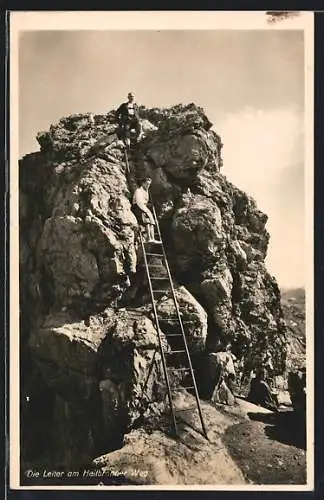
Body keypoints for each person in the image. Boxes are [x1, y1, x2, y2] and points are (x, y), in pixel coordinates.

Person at [132, 178, 159, 243]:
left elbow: (145, 202)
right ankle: (148, 238)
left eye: (149, 184)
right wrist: (146, 210)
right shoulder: (138, 191)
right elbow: (139, 202)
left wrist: (147, 208)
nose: (148, 185)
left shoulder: (146, 192)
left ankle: (152, 238)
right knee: (147, 219)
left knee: (152, 221)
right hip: (137, 207)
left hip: (144, 207)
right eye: (146, 184)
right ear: (143, 183)